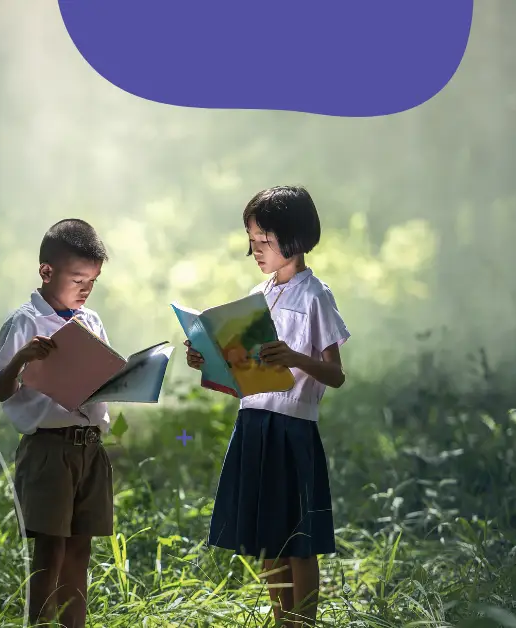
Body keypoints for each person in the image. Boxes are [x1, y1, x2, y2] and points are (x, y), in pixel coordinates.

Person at [185, 186, 349, 628]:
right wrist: (208, 360)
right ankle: (282, 620)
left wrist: (295, 358)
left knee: (299, 538)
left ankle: (303, 623)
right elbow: (242, 382)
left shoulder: (316, 295)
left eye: (263, 241)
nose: (253, 250)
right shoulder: (258, 296)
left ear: (293, 240)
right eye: (251, 241)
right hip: (253, 423)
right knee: (268, 537)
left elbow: (335, 374)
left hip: (292, 428)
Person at [0, 218, 114, 628]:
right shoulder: (24, 322)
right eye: (78, 278)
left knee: (80, 549)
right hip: (48, 450)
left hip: (89, 448)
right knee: (50, 552)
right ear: (47, 272)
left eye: (92, 280)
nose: (86, 288)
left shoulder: (91, 321)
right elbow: (0, 388)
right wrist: (24, 359)